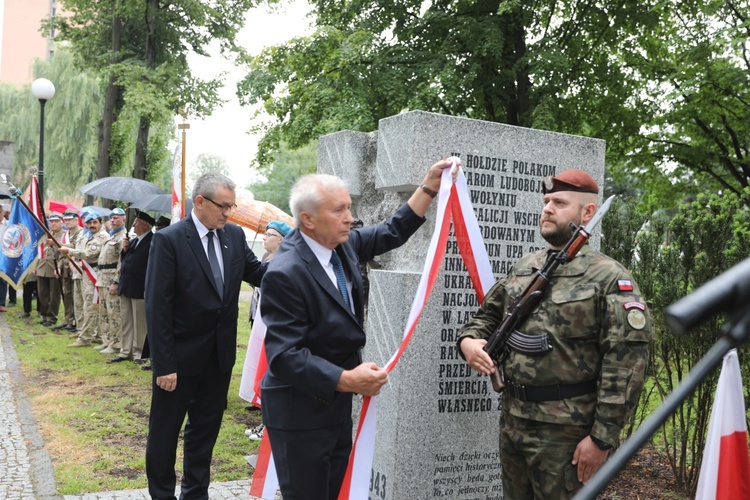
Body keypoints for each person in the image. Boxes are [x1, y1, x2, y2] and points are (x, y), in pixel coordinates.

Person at [260, 158, 458, 499]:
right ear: (307, 219)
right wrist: (347, 379)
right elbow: (285, 356)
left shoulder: (340, 246)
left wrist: (428, 187)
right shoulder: (285, 272)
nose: (350, 218)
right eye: (339, 210)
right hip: (300, 413)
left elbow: (390, 231)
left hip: (334, 405)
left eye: (349, 207)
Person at [457, 169, 654, 499]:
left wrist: (601, 439)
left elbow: (626, 362)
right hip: (514, 421)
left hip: (567, 433)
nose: (547, 208)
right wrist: (468, 343)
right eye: (546, 201)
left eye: (559, 202)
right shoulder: (526, 267)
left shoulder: (609, 277)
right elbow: (484, 319)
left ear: (587, 213)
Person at [144, 172, 267, 499]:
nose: (228, 213)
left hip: (218, 358)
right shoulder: (169, 240)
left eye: (232, 206)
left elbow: (259, 274)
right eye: (223, 206)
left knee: (204, 434)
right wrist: (164, 364)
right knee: (165, 436)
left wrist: (300, 260)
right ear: (200, 201)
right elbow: (158, 307)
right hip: (178, 363)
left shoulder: (235, 237)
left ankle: (196, 494)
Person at [243, 219, 292, 441]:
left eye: (269, 234)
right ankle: (264, 420)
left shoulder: (286, 261)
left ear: (281, 239)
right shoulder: (267, 258)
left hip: (275, 322)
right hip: (261, 318)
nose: (264, 237)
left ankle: (268, 424)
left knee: (271, 370)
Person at [110, 210, 154, 364]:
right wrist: (125, 250)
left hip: (140, 287)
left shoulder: (152, 241)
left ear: (146, 224)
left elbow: (151, 267)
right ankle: (125, 351)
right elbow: (126, 262)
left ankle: (139, 353)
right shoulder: (134, 241)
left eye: (136, 222)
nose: (133, 225)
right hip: (127, 286)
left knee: (140, 322)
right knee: (127, 321)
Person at [60, 211, 109, 347]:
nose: (92, 225)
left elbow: (89, 254)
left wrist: (69, 251)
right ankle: (90, 333)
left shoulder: (101, 237)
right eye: (89, 223)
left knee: (90, 306)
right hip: (85, 272)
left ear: (101, 223)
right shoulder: (89, 235)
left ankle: (86, 338)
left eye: (95, 222)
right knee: (85, 304)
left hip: (94, 272)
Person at [96, 207, 127, 355]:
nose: (113, 220)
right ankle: (107, 340)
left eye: (117, 218)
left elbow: (122, 262)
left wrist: (116, 281)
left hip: (112, 279)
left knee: (114, 313)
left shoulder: (124, 237)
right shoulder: (111, 236)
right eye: (112, 218)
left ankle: (116, 344)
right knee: (104, 312)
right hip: (102, 278)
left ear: (124, 219)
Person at [52, 209, 83, 332]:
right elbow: (60, 254)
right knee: (67, 294)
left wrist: (59, 244)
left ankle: (77, 321)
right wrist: (58, 267)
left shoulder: (81, 232)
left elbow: (77, 247)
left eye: (70, 220)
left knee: (77, 296)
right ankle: (68, 320)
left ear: (76, 220)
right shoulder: (66, 234)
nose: (68, 222)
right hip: (65, 267)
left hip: (75, 267)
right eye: (66, 220)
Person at [35, 212, 65, 326]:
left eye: (56, 221)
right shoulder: (46, 234)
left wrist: (56, 243)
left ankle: (52, 318)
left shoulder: (64, 235)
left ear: (61, 222)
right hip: (42, 267)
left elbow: (65, 250)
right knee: (42, 294)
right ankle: (44, 315)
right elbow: (39, 251)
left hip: (54, 267)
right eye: (52, 222)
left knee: (54, 296)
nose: (54, 224)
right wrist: (36, 266)